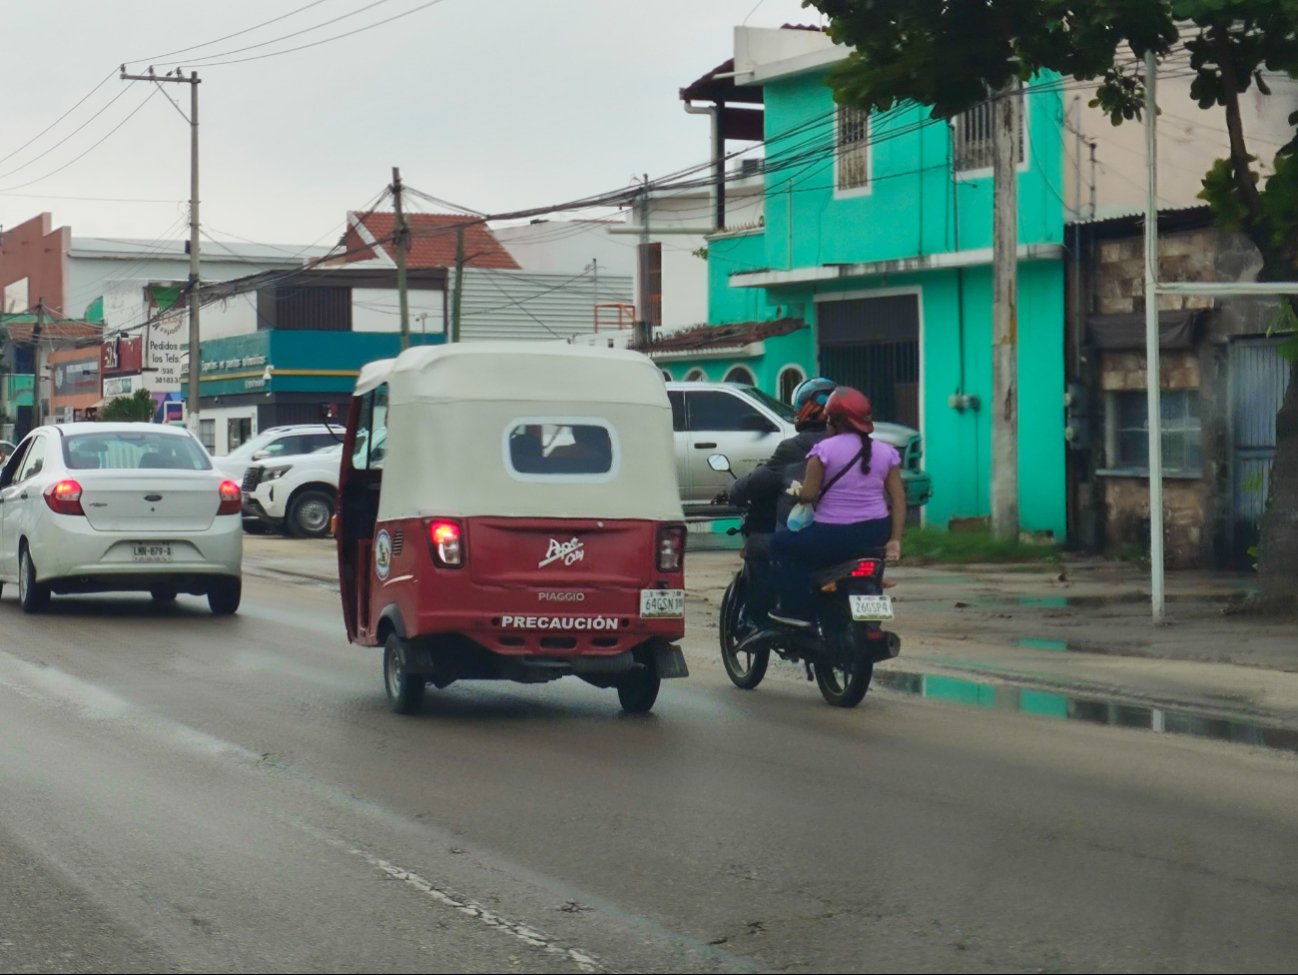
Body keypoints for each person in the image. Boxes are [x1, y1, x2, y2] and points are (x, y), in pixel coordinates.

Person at [768, 386, 906, 627]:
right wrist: (895, 539)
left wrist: (796, 494)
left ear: (834, 421)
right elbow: (899, 500)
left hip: (832, 536)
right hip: (875, 535)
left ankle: (797, 610)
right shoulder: (887, 452)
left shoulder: (823, 451)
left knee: (780, 545)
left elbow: (809, 494)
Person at [715, 377, 836, 627]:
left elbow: (758, 481)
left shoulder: (795, 447)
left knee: (758, 547)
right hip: (859, 534)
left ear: (803, 409)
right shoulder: (858, 445)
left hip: (811, 533)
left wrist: (732, 490)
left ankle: (761, 619)